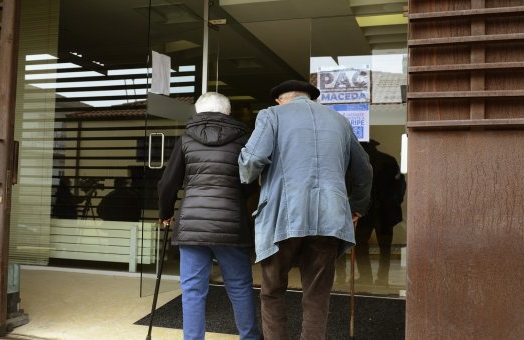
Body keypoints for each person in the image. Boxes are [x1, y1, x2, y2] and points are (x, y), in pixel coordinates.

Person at [238, 80, 372, 340]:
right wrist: (356, 206)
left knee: (273, 290)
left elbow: (253, 159)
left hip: (283, 217)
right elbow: (364, 169)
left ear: (280, 99)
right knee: (317, 294)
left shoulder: (271, 115)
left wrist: (246, 173)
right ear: (311, 98)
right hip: (330, 217)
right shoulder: (339, 121)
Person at [157, 92, 261, 340]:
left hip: (193, 224)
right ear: (227, 112)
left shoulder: (185, 140)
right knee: (239, 287)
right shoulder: (244, 140)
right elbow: (249, 184)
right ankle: (250, 337)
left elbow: (168, 183)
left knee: (192, 290)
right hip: (231, 224)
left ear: (198, 112)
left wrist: (166, 213)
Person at [352, 140, 405, 286]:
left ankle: (365, 276)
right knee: (385, 248)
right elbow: (400, 186)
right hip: (385, 211)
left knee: (361, 245)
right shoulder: (389, 160)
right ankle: (382, 278)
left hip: (366, 211)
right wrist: (393, 203)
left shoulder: (359, 163)